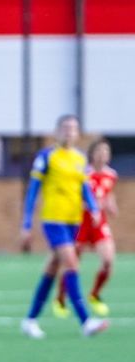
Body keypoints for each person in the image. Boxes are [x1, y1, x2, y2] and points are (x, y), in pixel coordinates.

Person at [19, 114, 107, 339]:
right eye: (65, 127)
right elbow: (33, 191)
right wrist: (26, 223)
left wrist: (94, 209)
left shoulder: (79, 159)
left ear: (78, 133)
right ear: (57, 131)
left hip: (73, 221)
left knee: (52, 268)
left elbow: (84, 188)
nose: (69, 131)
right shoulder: (47, 156)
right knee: (71, 263)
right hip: (53, 220)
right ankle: (86, 322)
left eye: (73, 128)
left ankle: (30, 320)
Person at [52, 139, 119, 318]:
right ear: (92, 153)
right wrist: (87, 204)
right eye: (100, 151)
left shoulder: (111, 175)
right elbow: (75, 195)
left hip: (99, 225)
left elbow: (108, 194)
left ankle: (95, 295)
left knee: (108, 261)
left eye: (106, 152)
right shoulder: (83, 173)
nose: (103, 155)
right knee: (72, 264)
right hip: (81, 223)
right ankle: (60, 299)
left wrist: (111, 205)